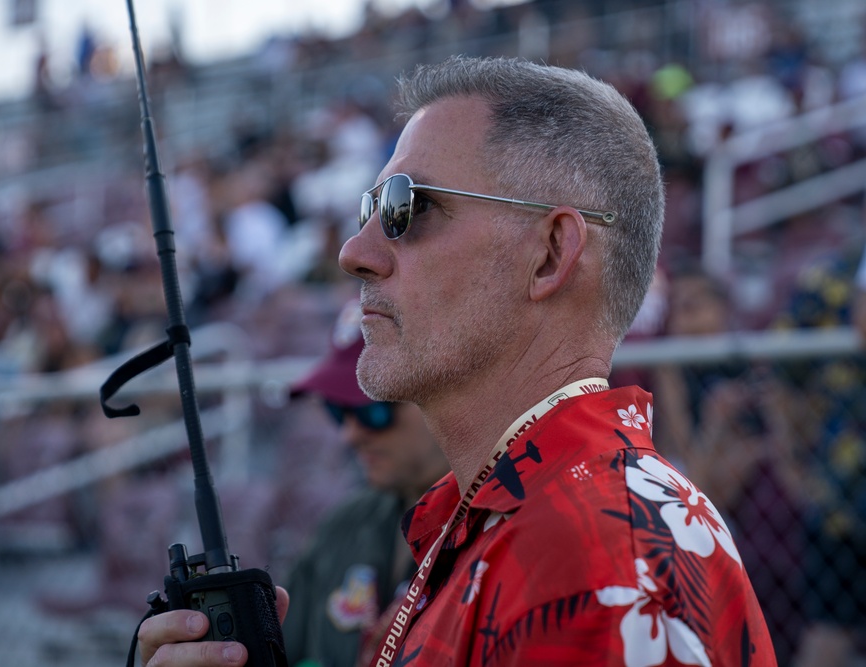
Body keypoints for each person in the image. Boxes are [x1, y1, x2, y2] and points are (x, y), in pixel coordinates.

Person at [137, 56, 776, 666]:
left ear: (552, 254)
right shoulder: (496, 519)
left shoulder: (600, 553)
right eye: (369, 210)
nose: (353, 252)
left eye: (406, 208)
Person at [283, 299, 449, 667]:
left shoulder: (503, 529)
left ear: (446, 391)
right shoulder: (341, 525)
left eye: (372, 408)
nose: (349, 435)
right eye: (336, 410)